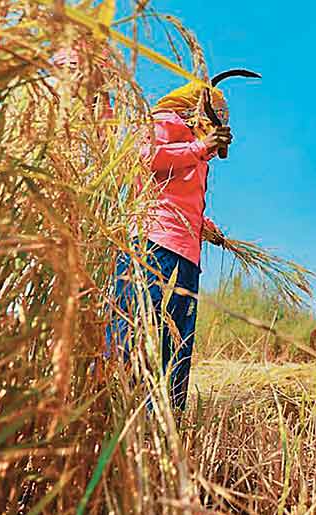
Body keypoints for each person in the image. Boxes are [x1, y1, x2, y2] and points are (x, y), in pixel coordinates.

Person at [106, 80, 233, 410]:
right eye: (219, 113)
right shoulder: (164, 122)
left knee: (175, 347)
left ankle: (163, 426)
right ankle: (124, 417)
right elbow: (143, 159)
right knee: (143, 338)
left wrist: (207, 228)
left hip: (186, 257)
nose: (223, 121)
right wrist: (200, 148)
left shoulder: (196, 147)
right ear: (198, 109)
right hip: (154, 248)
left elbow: (175, 197)